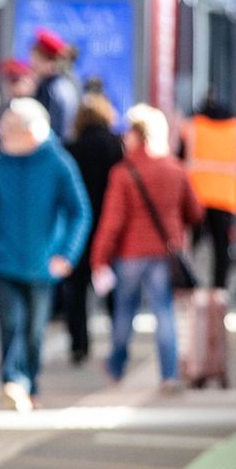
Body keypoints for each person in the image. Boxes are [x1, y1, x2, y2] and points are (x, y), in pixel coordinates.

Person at [0, 98, 90, 411]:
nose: (2, 137)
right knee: (10, 325)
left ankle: (29, 382)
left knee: (34, 330)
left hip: (42, 263)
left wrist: (67, 254)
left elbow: (79, 211)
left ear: (29, 134)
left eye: (8, 132)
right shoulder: (2, 162)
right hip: (4, 260)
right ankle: (12, 382)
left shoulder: (58, 162)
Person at [90, 104, 204, 390]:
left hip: (129, 254)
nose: (124, 138)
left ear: (138, 135)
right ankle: (169, 375)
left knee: (124, 312)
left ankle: (116, 365)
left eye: (128, 132)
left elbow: (112, 221)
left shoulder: (123, 172)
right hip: (165, 253)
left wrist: (99, 258)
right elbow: (195, 212)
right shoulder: (175, 169)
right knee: (163, 313)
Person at [64, 92, 125, 365]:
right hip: (110, 224)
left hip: (80, 227)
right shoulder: (116, 146)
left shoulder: (72, 148)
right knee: (112, 286)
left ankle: (79, 344)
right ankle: (117, 341)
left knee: (77, 290)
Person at [181, 92, 236, 290]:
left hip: (195, 197)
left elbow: (179, 160)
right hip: (225, 197)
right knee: (222, 248)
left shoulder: (191, 127)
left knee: (190, 246)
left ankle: (187, 283)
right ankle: (219, 289)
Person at [30, 28, 79, 140]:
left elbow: (56, 132)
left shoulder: (53, 89)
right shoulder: (55, 84)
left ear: (47, 60)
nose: (32, 64)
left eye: (36, 59)